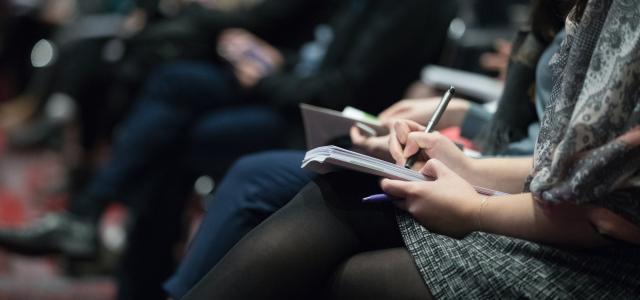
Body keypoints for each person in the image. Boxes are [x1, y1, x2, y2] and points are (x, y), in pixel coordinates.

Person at [182, 0, 640, 298]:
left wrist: (473, 207)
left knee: (339, 271)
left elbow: (608, 209)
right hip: (558, 212)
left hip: (607, 264)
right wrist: (466, 166)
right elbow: (563, 166)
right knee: (333, 190)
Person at [0, 0, 458, 298]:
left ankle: (107, 236)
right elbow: (309, 48)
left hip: (328, 126)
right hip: (291, 93)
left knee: (176, 140)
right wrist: (271, 60)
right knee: (171, 85)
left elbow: (342, 88)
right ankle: (106, 237)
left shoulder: (412, 9)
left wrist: (269, 75)